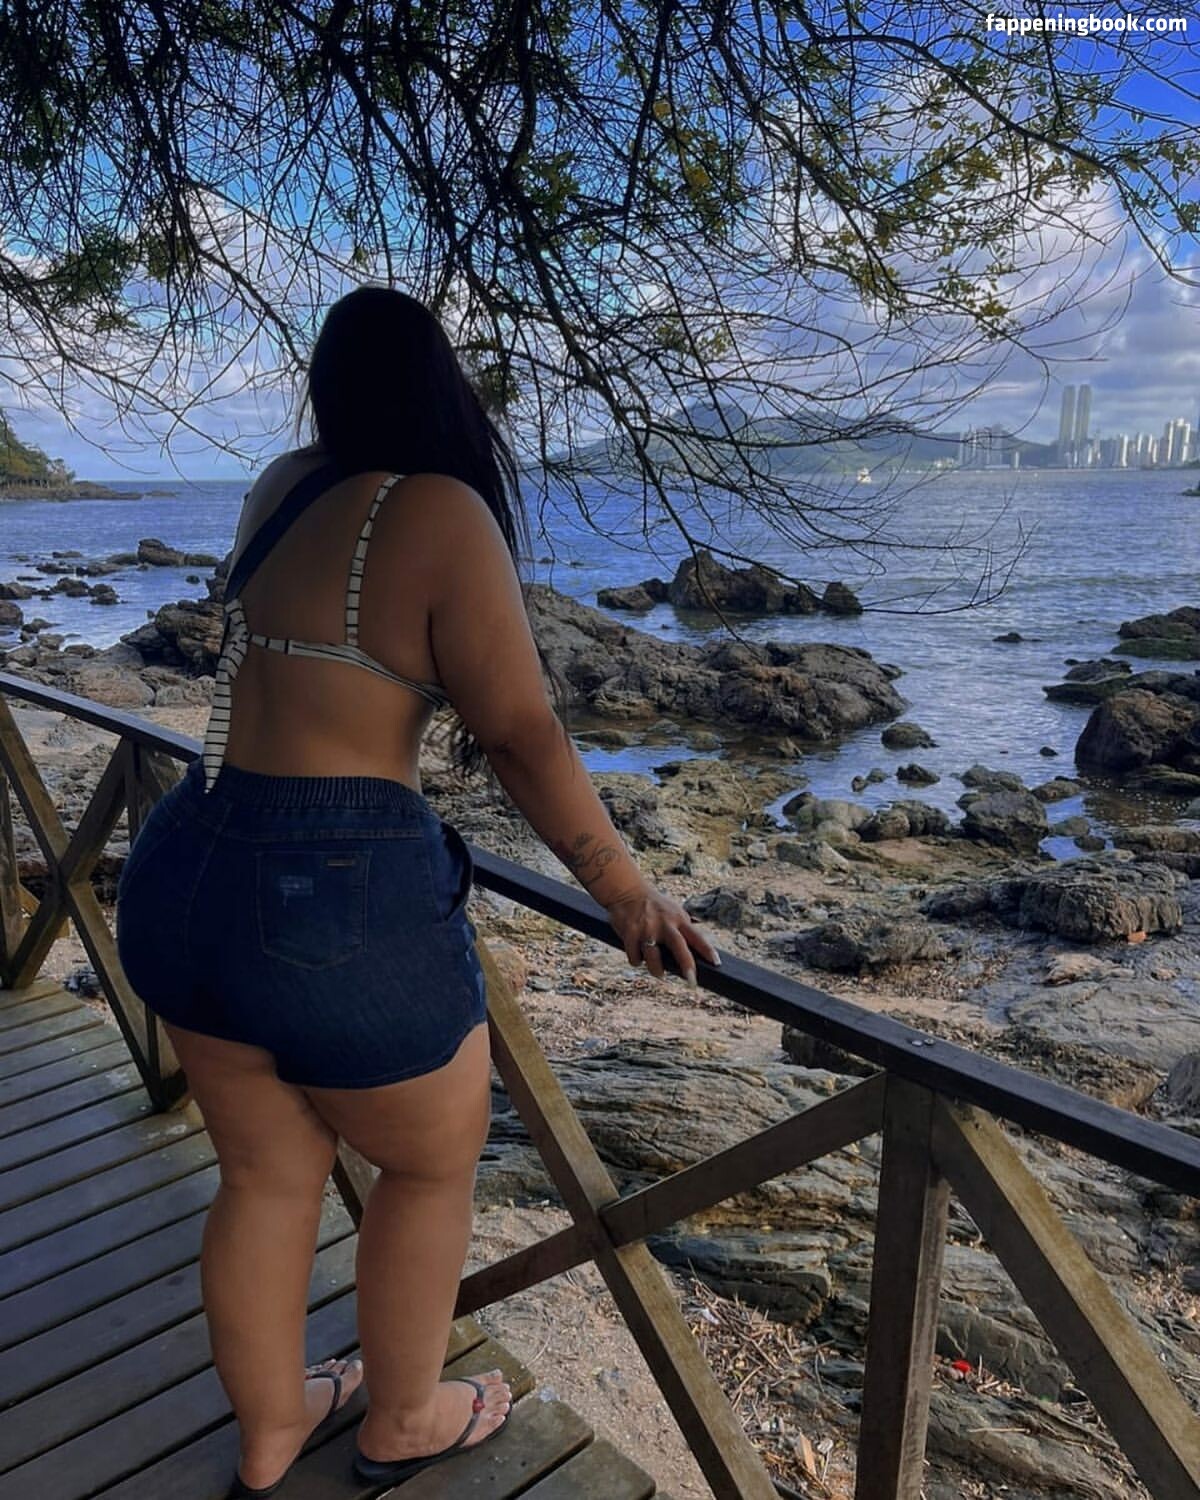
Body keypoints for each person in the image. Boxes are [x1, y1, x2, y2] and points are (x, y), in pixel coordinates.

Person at [115, 286, 721, 1498]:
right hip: (330, 881)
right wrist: (624, 889)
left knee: (263, 1176)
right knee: (432, 1163)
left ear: (329, 388)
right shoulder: (440, 511)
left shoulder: (283, 484)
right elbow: (522, 732)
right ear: (445, 391)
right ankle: (403, 1417)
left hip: (187, 859)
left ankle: (273, 1431)